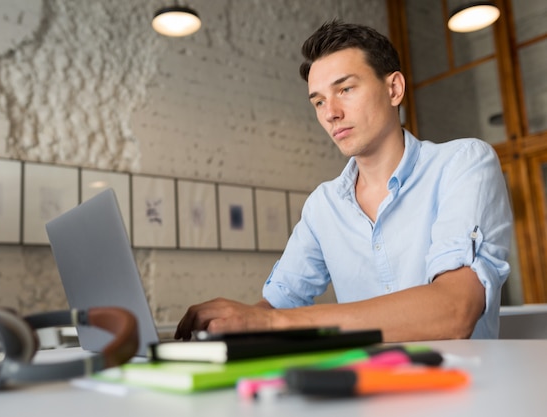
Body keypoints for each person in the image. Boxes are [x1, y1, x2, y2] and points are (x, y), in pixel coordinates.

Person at [175, 20, 512, 342]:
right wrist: (229, 328)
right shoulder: (323, 205)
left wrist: (270, 322)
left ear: (394, 88)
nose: (329, 113)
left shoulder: (463, 163)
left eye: (345, 89)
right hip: (361, 394)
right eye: (318, 101)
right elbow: (277, 305)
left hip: (463, 395)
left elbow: (454, 310)